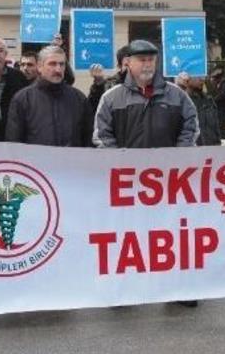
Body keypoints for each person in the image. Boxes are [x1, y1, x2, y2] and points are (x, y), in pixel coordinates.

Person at [93, 40, 199, 307]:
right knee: (127, 238)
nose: (148, 64)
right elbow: (101, 135)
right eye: (142, 59)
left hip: (168, 183)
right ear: (128, 62)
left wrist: (177, 155)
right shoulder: (112, 97)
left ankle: (177, 290)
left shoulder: (176, 95)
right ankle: (124, 291)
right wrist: (121, 162)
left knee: (170, 237)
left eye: (152, 59)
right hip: (128, 183)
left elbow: (191, 127)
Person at [5, 45, 93, 147]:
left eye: (61, 64)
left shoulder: (79, 98)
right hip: (34, 161)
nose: (58, 69)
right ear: (39, 67)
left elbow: (88, 138)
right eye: (52, 64)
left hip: (71, 161)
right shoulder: (23, 99)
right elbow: (14, 142)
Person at [177, 72, 221, 146]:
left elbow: (216, 130)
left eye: (203, 75)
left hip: (210, 151)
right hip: (190, 152)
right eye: (198, 75)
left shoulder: (208, 100)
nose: (202, 79)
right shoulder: (180, 101)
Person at [87, 44, 130, 111]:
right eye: (127, 65)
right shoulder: (110, 85)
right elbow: (94, 108)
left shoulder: (148, 83)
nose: (131, 68)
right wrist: (99, 84)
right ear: (119, 66)